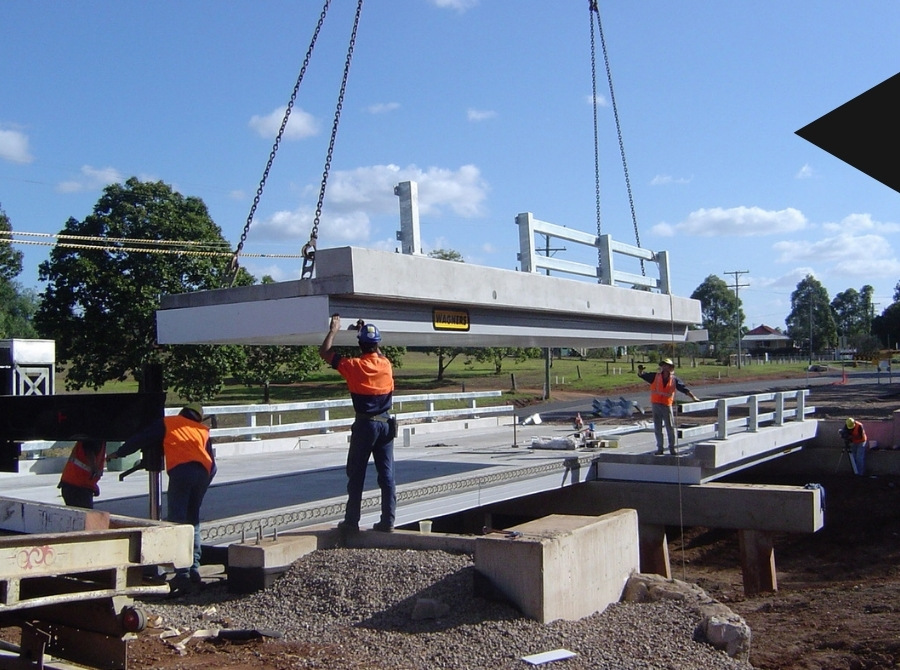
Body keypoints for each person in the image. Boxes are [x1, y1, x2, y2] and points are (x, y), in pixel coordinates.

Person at [108, 402, 216, 591]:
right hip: (203, 473)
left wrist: (120, 452)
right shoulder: (202, 430)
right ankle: (194, 570)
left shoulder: (169, 423)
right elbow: (212, 464)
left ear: (182, 412)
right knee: (193, 521)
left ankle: (181, 574)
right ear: (198, 417)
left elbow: (141, 438)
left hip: (182, 472)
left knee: (177, 522)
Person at [320, 315, 396, 533]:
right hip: (386, 425)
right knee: (387, 475)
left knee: (357, 473)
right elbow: (378, 354)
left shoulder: (353, 366)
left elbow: (325, 353)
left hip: (365, 426)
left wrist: (334, 330)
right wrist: (366, 334)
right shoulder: (386, 365)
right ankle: (388, 521)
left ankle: (352, 521)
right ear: (377, 344)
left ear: (360, 345)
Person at [637, 358, 700, 455]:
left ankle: (672, 448)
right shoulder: (655, 376)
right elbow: (642, 375)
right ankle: (660, 449)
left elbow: (683, 388)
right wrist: (640, 370)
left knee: (670, 428)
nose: (665, 367)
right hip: (656, 405)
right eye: (663, 365)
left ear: (671, 368)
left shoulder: (674, 379)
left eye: (667, 366)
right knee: (657, 428)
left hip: (667, 405)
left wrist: (693, 397)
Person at [58, 438, 107, 508]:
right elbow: (89, 450)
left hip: (73, 484)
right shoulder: (96, 435)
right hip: (78, 488)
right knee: (85, 516)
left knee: (80, 515)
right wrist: (94, 468)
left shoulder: (90, 436)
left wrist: (93, 486)